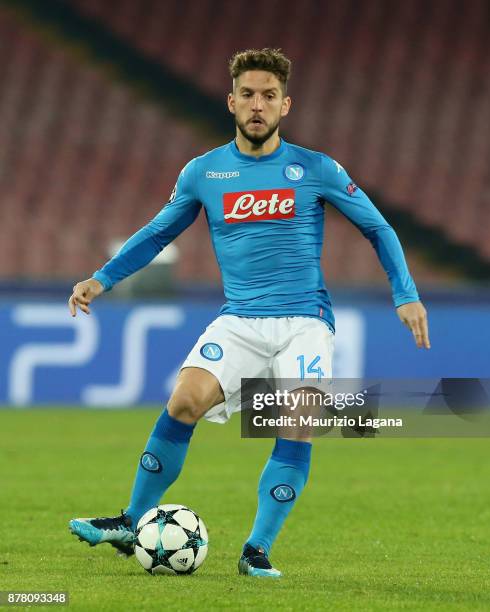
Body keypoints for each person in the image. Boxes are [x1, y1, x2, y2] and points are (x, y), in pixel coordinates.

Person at [68, 48, 430, 577]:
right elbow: (156, 233)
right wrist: (102, 279)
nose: (257, 105)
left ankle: (256, 549)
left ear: (286, 104)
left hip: (305, 320)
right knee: (185, 400)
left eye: (268, 96)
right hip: (239, 319)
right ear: (230, 101)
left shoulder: (315, 168)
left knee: (298, 421)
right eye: (248, 95)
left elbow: (379, 227)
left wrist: (405, 293)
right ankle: (131, 519)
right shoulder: (204, 173)